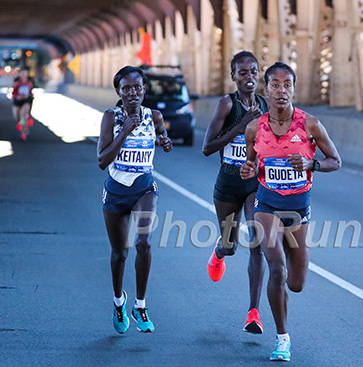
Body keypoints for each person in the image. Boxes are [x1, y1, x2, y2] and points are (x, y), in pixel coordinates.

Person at [241, 62, 341, 361]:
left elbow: (335, 160)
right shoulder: (253, 128)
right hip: (267, 204)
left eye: (287, 85)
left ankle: (280, 290)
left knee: (295, 284)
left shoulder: (310, 124)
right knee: (276, 268)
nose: (281, 90)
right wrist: (250, 169)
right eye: (275, 84)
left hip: (298, 210)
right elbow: (252, 163)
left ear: (293, 89)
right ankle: (282, 338)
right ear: (266, 89)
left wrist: (312, 165)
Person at [97, 66, 173, 334]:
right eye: (126, 88)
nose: (132, 92)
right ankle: (119, 302)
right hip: (116, 191)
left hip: (144, 188)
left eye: (137, 87)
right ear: (119, 91)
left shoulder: (154, 116)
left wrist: (164, 142)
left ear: (144, 89)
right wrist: (124, 132)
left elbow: (162, 134)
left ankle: (140, 305)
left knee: (144, 243)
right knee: (120, 254)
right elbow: (102, 160)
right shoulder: (111, 117)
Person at [202, 51, 268, 334]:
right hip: (228, 184)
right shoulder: (227, 104)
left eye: (253, 71)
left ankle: (253, 313)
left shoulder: (266, 105)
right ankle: (219, 251)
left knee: (257, 241)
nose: (249, 76)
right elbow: (207, 147)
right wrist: (240, 127)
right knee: (231, 246)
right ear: (234, 76)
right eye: (243, 72)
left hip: (255, 184)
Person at [12, 67, 34, 140]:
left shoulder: (30, 81)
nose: (23, 74)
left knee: (23, 114)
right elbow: (13, 92)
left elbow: (32, 91)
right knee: (17, 116)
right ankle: (21, 126)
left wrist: (29, 95)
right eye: (22, 73)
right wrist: (17, 96)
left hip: (26, 100)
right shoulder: (16, 81)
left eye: (25, 73)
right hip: (17, 100)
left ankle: (24, 130)